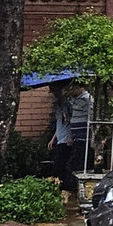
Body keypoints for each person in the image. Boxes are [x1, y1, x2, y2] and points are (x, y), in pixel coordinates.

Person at [47, 78, 93, 206]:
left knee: (70, 165)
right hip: (71, 136)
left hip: (77, 138)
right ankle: (65, 189)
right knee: (64, 164)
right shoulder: (70, 102)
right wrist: (54, 138)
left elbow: (88, 119)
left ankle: (68, 190)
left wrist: (70, 136)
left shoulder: (84, 100)